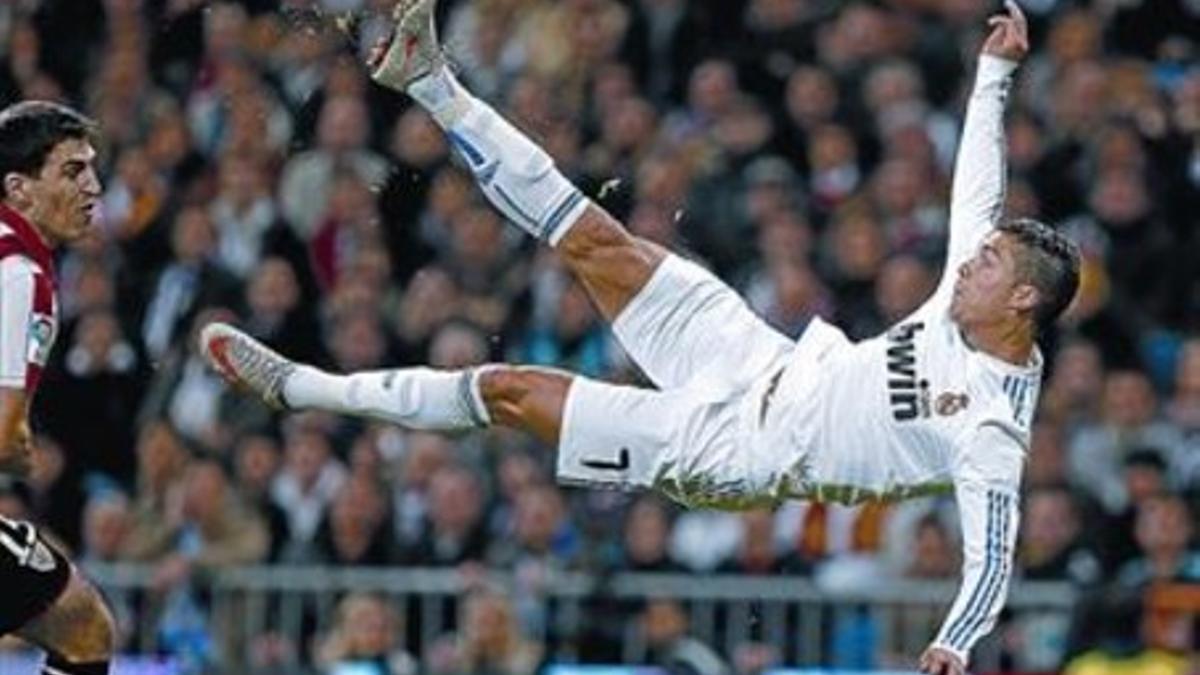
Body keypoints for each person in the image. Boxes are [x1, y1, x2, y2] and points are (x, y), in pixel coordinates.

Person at [200, 2, 1079, 673]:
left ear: (1023, 300)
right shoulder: (971, 297)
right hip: (759, 356)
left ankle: (300, 387)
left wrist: (955, 641)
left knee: (510, 388)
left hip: (737, 452)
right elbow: (978, 188)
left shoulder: (990, 427)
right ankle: (427, 76)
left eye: (988, 264)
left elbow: (992, 554)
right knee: (600, 240)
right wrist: (993, 74)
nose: (968, 263)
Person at [0, 101, 117, 673]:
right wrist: (23, 452)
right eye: (72, 172)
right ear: (18, 189)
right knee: (83, 628)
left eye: (92, 168)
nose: (94, 187)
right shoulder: (20, 277)